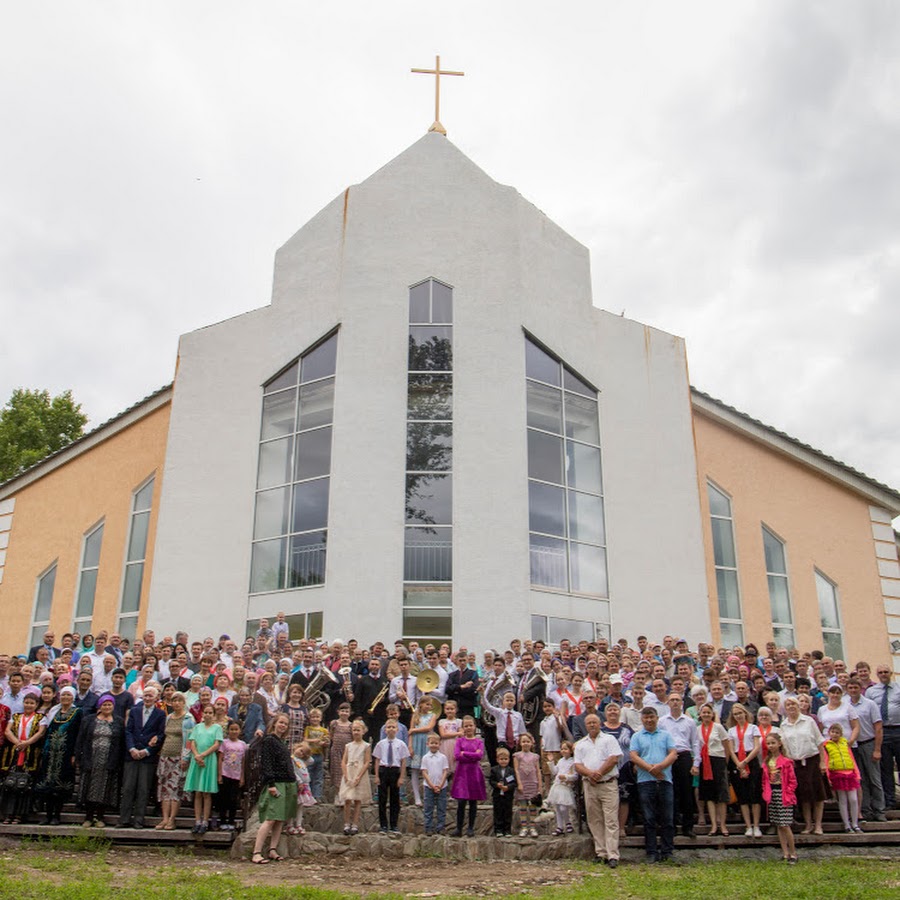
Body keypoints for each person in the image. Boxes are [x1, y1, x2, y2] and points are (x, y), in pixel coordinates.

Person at [630, 707, 678, 864]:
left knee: (668, 817)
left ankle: (667, 851)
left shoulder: (665, 735)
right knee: (649, 818)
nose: (649, 720)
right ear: (642, 719)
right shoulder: (637, 736)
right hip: (645, 781)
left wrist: (659, 767)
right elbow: (633, 756)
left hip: (665, 780)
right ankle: (651, 851)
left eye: (651, 717)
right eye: (646, 718)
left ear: (657, 718)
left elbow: (673, 753)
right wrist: (651, 769)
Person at [574, 713, 622, 866]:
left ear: (600, 723)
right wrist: (591, 774)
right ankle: (601, 852)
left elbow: (614, 758)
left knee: (611, 820)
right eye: (589, 723)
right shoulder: (581, 744)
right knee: (594, 820)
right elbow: (578, 765)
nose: (592, 725)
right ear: (585, 726)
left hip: (608, 784)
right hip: (590, 786)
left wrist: (599, 773)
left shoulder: (609, 739)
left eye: (595, 722)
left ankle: (613, 854)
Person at [251, 713, 297, 864]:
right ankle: (256, 852)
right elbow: (267, 763)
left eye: (285, 724)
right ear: (275, 723)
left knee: (280, 819)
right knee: (271, 818)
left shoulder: (282, 742)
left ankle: (272, 849)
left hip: (287, 783)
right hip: (276, 783)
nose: (283, 726)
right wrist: (270, 784)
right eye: (281, 723)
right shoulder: (269, 740)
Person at [119, 684, 166, 829]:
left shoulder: (160, 714)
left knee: (143, 789)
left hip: (147, 756)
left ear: (156, 697)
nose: (147, 698)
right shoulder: (134, 711)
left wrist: (146, 751)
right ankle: (124, 819)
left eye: (151, 695)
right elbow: (129, 731)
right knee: (128, 788)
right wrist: (132, 749)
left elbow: (160, 735)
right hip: (132, 755)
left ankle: (139, 820)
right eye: (145, 695)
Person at [33, 685, 82, 825]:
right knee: (48, 784)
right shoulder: (54, 711)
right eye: (63, 695)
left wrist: (75, 754)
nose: (65, 698)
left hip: (65, 754)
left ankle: (56, 815)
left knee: (60, 786)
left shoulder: (78, 712)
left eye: (68, 695)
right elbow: (47, 732)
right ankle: (47, 815)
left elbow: (78, 735)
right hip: (50, 753)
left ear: (73, 697)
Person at [780, 696, 827, 835]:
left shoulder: (809, 721)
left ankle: (818, 825)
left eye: (793, 703)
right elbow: (784, 747)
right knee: (804, 796)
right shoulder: (784, 725)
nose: (791, 706)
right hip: (796, 764)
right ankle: (808, 825)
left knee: (818, 794)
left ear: (799, 705)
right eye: (788, 704)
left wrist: (823, 762)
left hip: (812, 760)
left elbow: (819, 742)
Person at [75, 694, 125, 827]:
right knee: (89, 787)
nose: (107, 707)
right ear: (99, 706)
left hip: (109, 759)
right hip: (91, 757)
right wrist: (77, 755)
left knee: (105, 788)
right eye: (104, 704)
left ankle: (100, 817)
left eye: (109, 705)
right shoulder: (89, 720)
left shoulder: (118, 721)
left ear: (113, 706)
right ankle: (88, 817)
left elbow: (121, 742)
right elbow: (81, 738)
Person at [0, 692, 47, 823]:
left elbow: (40, 732)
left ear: (36, 705)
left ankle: (20, 815)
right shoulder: (15, 716)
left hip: (31, 753)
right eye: (26, 702)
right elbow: (7, 731)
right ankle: (8, 814)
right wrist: (17, 742)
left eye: (32, 703)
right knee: (10, 783)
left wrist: (27, 743)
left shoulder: (40, 717)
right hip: (15, 752)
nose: (29, 705)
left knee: (24, 785)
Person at [845, 678, 886, 822]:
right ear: (847, 689)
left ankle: (879, 810)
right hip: (854, 747)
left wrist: (877, 749)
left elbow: (878, 727)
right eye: (850, 688)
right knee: (860, 780)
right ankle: (866, 809)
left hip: (869, 743)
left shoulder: (870, 704)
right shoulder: (845, 705)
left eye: (855, 687)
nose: (853, 690)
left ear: (860, 688)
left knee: (875, 779)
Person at [156, 691, 193, 830]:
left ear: (184, 702)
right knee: (165, 788)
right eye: (174, 700)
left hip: (179, 757)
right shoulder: (169, 717)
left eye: (179, 700)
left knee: (175, 789)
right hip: (166, 755)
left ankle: (172, 819)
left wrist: (186, 757)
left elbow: (190, 740)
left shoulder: (188, 719)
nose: (176, 703)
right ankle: (164, 818)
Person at [184, 703, 223, 834]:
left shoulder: (217, 727)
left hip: (208, 760)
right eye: (205, 712)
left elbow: (217, 744)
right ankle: (197, 820)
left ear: (213, 714)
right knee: (198, 792)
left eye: (210, 713)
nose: (207, 715)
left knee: (206, 792)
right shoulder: (197, 727)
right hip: (197, 760)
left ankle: (205, 820)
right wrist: (196, 755)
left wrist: (203, 755)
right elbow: (193, 741)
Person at [726, 702, 762, 837]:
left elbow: (757, 746)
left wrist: (745, 761)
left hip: (750, 759)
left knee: (754, 794)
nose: (738, 716)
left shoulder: (753, 728)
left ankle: (756, 825)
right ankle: (748, 825)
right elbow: (730, 748)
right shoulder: (731, 730)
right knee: (743, 795)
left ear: (745, 713)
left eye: (740, 713)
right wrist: (739, 764)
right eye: (735, 714)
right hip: (737, 760)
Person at [866, 664, 899, 810]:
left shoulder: (898, 688)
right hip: (881, 732)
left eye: (886, 672)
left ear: (891, 673)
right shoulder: (871, 692)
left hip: (898, 730)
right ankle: (890, 800)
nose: (883, 674)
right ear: (877, 674)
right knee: (885, 769)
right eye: (881, 672)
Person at [761, 733, 798, 863]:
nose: (771, 746)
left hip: (784, 794)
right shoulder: (767, 761)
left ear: (779, 743)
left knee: (785, 824)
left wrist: (788, 792)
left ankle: (793, 853)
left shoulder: (786, 762)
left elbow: (793, 781)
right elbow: (765, 780)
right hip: (772, 793)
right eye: (768, 743)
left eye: (773, 743)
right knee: (778, 824)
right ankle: (785, 853)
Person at [696, 703, 732, 836]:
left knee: (721, 794)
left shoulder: (718, 727)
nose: (706, 714)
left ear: (712, 714)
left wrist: (725, 763)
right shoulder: (697, 729)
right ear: (700, 715)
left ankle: (722, 824)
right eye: (703, 712)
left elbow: (726, 745)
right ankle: (713, 825)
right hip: (705, 762)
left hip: (718, 760)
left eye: (708, 712)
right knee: (709, 795)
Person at [451, 715, 486, 837]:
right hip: (462, 773)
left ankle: (471, 828)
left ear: (475, 727)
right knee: (461, 801)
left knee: (473, 801)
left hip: (474, 774)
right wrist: (471, 754)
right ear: (463, 728)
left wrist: (464, 753)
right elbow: (456, 755)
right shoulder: (459, 741)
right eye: (466, 726)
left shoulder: (479, 742)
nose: (469, 728)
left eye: (471, 725)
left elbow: (479, 756)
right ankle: (459, 828)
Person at [824, 723, 862, 833]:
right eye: (832, 732)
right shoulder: (826, 745)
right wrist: (828, 777)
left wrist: (857, 773)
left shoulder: (845, 744)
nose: (834, 734)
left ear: (841, 734)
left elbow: (851, 758)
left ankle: (855, 823)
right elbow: (826, 762)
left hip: (850, 773)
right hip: (837, 774)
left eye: (837, 732)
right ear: (829, 733)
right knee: (843, 800)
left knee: (853, 799)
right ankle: (847, 825)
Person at [373, 718, 409, 834]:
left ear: (397, 729)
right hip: (384, 771)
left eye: (393, 727)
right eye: (388, 727)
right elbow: (377, 760)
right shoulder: (380, 744)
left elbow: (404, 761)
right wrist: (377, 776)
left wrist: (402, 777)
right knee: (382, 800)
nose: (391, 729)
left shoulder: (401, 744)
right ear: (384, 729)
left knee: (395, 800)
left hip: (395, 771)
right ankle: (383, 825)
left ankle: (394, 825)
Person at [339, 720, 372, 835]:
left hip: (359, 773)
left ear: (363, 731)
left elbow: (367, 762)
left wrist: (359, 776)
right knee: (347, 799)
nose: (356, 732)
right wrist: (346, 775)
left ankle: (355, 824)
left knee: (358, 800)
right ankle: (346, 823)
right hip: (349, 772)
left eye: (358, 730)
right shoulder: (348, 746)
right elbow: (344, 761)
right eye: (354, 730)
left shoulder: (366, 746)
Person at [217, 719, 248, 831]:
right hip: (225, 774)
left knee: (233, 799)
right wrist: (219, 775)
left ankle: (231, 820)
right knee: (223, 798)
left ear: (240, 731)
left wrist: (242, 777)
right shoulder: (224, 743)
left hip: (236, 775)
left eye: (236, 729)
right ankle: (222, 820)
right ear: (228, 730)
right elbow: (220, 759)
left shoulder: (243, 745)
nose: (234, 732)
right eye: (231, 729)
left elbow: (244, 762)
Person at [408, 696, 437, 807]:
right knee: (415, 769)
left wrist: (414, 729)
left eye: (430, 705)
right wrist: (410, 746)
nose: (429, 707)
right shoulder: (415, 716)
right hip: (416, 743)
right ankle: (417, 797)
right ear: (421, 704)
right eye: (427, 704)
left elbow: (429, 727)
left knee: (428, 769)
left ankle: (428, 795)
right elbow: (410, 733)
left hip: (426, 742)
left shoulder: (432, 716)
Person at [420, 732, 450, 835]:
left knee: (441, 807)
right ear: (427, 744)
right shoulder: (425, 758)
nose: (434, 745)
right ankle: (428, 827)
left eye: (436, 743)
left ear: (439, 744)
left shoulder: (443, 757)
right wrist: (432, 785)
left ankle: (440, 827)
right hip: (429, 786)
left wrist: (440, 785)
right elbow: (424, 772)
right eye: (432, 743)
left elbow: (445, 771)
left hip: (442, 786)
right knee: (428, 807)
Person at [513, 732, 542, 837]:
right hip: (523, 783)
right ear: (520, 743)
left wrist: (539, 785)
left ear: (531, 743)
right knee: (523, 807)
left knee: (532, 807)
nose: (525, 743)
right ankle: (524, 827)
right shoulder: (517, 756)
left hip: (532, 783)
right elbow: (516, 770)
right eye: (523, 741)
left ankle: (533, 827)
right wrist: (519, 783)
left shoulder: (535, 757)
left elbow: (538, 770)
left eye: (527, 741)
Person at [547, 740, 577, 835]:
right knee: (558, 808)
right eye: (562, 749)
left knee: (564, 808)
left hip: (565, 786)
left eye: (565, 749)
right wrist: (551, 762)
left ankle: (568, 823)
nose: (563, 751)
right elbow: (554, 772)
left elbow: (575, 776)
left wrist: (566, 777)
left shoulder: (573, 762)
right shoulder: (560, 761)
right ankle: (559, 826)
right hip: (557, 786)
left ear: (570, 751)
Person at [287, 740, 316, 835]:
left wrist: (307, 751)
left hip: (304, 786)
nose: (301, 753)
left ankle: (298, 824)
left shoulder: (303, 761)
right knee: (293, 805)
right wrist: (299, 781)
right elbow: (293, 772)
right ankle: (290, 825)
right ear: (296, 747)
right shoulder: (292, 759)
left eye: (304, 753)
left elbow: (312, 760)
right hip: (297, 785)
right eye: (301, 750)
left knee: (300, 806)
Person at [488, 745, 516, 837]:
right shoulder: (494, 770)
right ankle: (498, 830)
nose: (503, 761)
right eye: (501, 759)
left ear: (508, 759)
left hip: (508, 795)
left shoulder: (511, 770)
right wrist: (497, 785)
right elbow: (491, 781)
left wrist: (508, 787)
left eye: (505, 759)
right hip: (497, 795)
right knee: (498, 812)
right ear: (497, 759)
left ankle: (507, 830)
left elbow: (514, 783)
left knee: (507, 812)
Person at [328, 702, 353, 797]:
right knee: (337, 771)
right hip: (336, 751)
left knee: (346, 772)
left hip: (347, 752)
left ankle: (345, 794)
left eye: (347, 711)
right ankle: (338, 794)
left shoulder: (351, 725)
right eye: (342, 711)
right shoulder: (334, 723)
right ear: (338, 712)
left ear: (350, 713)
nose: (344, 713)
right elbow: (331, 735)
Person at [303, 707, 328, 802]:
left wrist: (325, 743)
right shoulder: (308, 728)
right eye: (313, 717)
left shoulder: (324, 730)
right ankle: (307, 795)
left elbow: (327, 741)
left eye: (317, 717)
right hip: (309, 755)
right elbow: (305, 740)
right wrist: (315, 740)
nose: (315, 719)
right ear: (310, 718)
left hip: (319, 755)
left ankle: (317, 795)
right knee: (308, 774)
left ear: (320, 718)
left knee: (318, 776)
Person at [437, 699, 462, 775]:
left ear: (456, 710)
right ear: (444, 710)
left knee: (455, 765)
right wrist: (457, 733)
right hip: (445, 745)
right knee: (445, 765)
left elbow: (461, 735)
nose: (449, 711)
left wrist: (458, 733)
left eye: (452, 709)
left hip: (456, 744)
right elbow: (443, 735)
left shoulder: (459, 721)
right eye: (447, 709)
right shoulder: (442, 721)